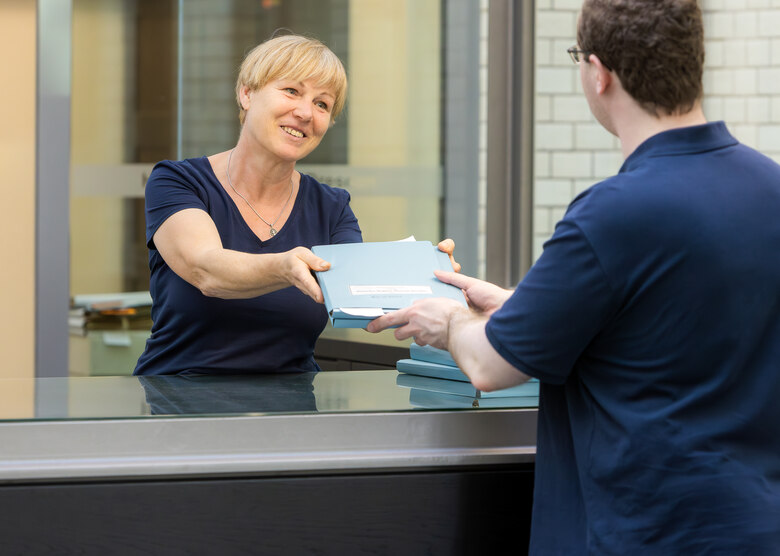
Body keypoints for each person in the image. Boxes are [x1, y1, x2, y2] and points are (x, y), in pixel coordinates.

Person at [368, 0, 780, 553]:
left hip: (643, 533)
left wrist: (450, 321)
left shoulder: (615, 211)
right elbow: (672, 318)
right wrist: (524, 306)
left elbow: (490, 366)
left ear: (598, 72)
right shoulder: (769, 188)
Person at [134, 34, 457, 376]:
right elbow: (206, 270)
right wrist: (285, 267)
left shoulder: (331, 206)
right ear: (247, 93)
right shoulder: (179, 180)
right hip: (178, 406)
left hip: (293, 411)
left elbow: (360, 293)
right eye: (291, 91)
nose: (305, 112)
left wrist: (430, 280)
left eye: (322, 104)